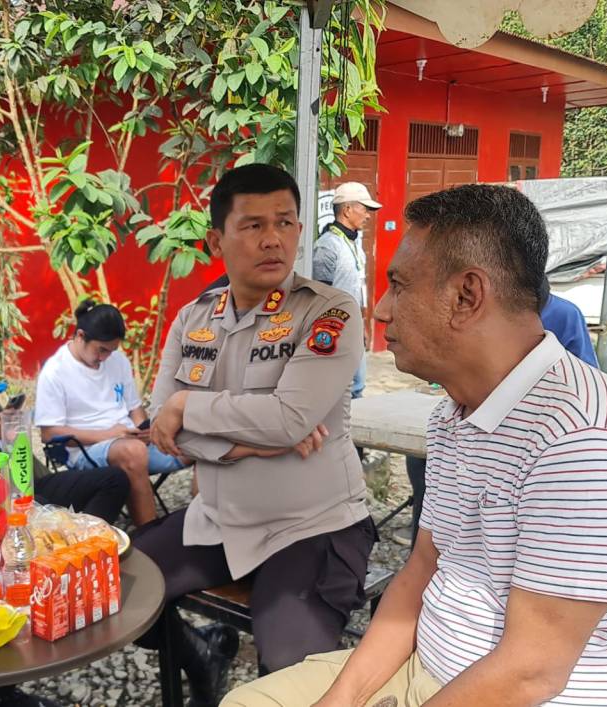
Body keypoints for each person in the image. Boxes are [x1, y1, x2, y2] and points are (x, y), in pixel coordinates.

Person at [223, 184, 607, 707]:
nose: (381, 311)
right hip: (428, 665)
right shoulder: (454, 414)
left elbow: (532, 673)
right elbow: (421, 571)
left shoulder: (587, 441)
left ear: (466, 296)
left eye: (399, 285)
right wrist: (340, 700)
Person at [136, 163, 376, 707]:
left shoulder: (327, 310)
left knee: (288, 670)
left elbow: (289, 419)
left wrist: (187, 406)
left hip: (312, 527)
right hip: (218, 522)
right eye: (253, 226)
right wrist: (250, 442)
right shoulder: (193, 318)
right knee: (119, 590)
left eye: (285, 222)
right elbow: (161, 429)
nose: (273, 239)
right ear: (215, 240)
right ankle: (200, 657)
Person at [394, 288, 598, 548]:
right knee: (424, 471)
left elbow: (583, 375)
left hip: (524, 436)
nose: (384, 312)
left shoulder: (564, 314)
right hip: (470, 421)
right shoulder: (444, 421)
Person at [0, 325, 130, 523]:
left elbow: (9, 444)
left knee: (114, 479)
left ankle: (87, 537)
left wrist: (12, 429)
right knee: (40, 505)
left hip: (23, 482)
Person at [34, 301, 185, 526]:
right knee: (133, 452)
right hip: (86, 450)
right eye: (101, 350)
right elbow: (49, 434)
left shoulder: (118, 360)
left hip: (129, 440)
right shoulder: (55, 371)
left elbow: (135, 410)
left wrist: (144, 430)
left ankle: (209, 524)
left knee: (197, 441)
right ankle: (149, 533)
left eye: (111, 351)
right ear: (80, 336)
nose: (105, 357)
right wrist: (111, 434)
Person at [312, 182, 381, 399]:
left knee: (357, 385)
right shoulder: (327, 246)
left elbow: (356, 287)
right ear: (347, 210)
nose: (368, 215)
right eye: (365, 209)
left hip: (353, 324)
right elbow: (319, 294)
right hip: (334, 329)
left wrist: (361, 323)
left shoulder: (352, 243)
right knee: (340, 388)